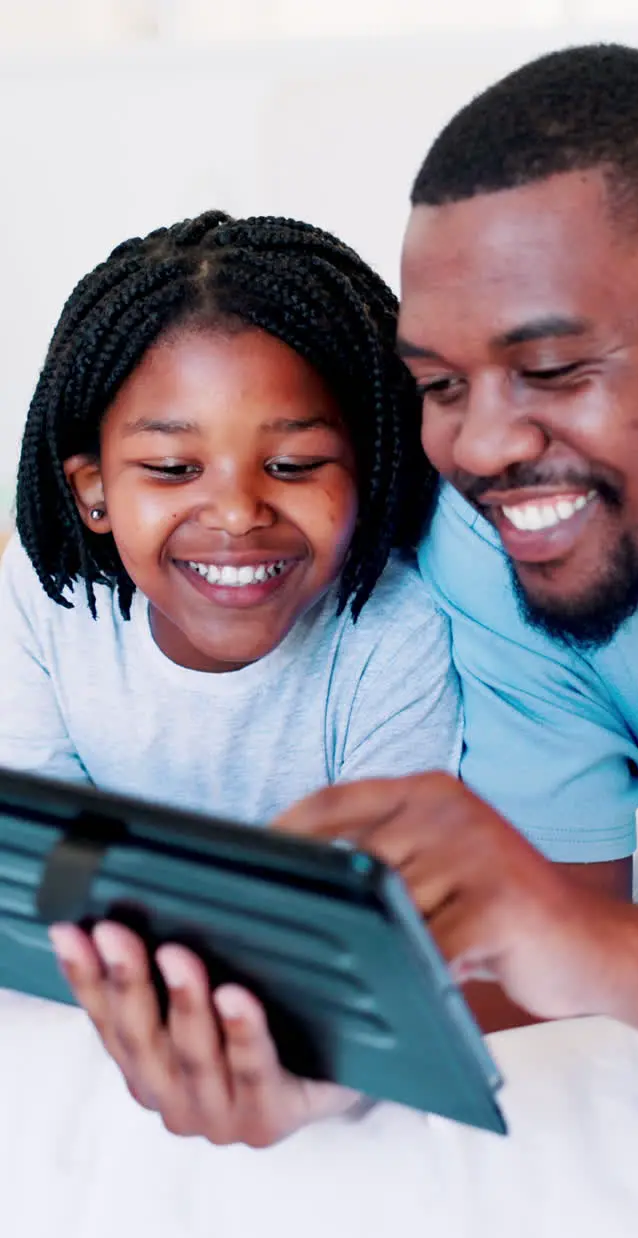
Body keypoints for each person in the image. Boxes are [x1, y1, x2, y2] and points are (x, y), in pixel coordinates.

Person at [280, 43, 638, 1080]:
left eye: (552, 369)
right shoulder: (502, 555)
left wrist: (606, 953)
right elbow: (551, 961)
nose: (479, 448)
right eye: (439, 385)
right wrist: (313, 1067)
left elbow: (600, 952)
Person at [0, 210, 462, 1142]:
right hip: (92, 1006)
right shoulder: (39, 597)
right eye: (172, 468)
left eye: (293, 464)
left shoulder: (398, 634)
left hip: (308, 1030)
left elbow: (397, 920)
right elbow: (26, 855)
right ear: (92, 490)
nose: (239, 512)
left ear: (368, 470)